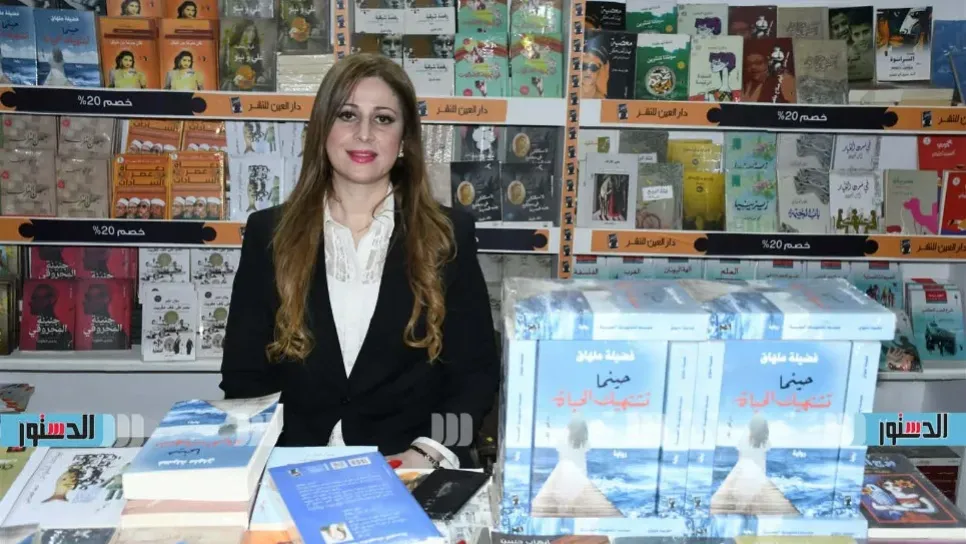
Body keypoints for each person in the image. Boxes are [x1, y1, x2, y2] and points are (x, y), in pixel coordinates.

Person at [220, 53, 499, 469]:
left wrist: (431, 453)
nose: (364, 133)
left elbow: (475, 375)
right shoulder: (269, 233)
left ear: (404, 139)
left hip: (409, 470)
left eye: (383, 119)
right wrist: (266, 461)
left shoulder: (448, 235)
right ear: (322, 128)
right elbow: (243, 375)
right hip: (292, 469)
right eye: (347, 115)